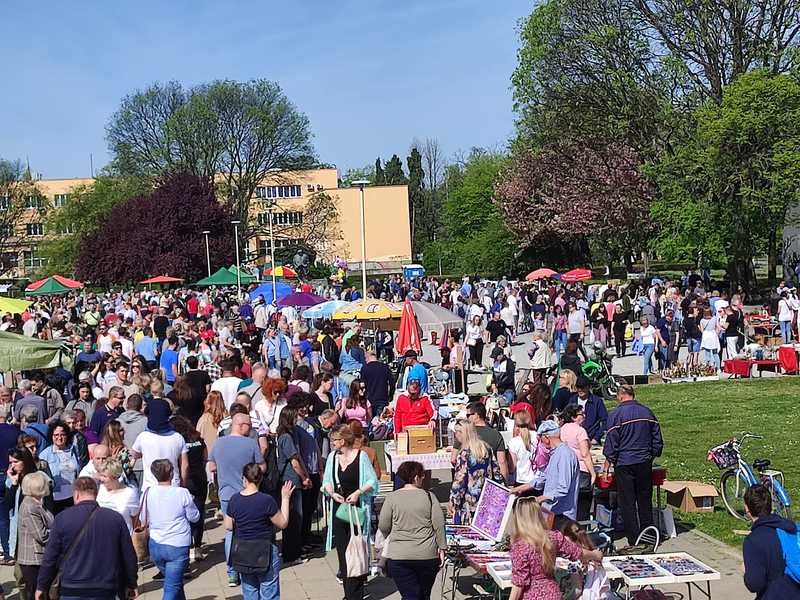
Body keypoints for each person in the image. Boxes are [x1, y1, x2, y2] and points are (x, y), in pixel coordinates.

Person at [36, 476, 138, 600]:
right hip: (105, 588)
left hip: (71, 587)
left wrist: (42, 586)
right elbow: (128, 555)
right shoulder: (115, 518)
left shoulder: (62, 518)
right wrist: (132, 583)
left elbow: (50, 557)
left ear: (76, 494)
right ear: (95, 494)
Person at [208, 412, 266, 587]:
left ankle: (232, 573)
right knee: (249, 530)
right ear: (240, 425)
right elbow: (262, 466)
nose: (252, 428)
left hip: (226, 494)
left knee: (230, 532)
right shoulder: (250, 444)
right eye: (249, 425)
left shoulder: (218, 443)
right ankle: (251, 565)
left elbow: (211, 465)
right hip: (248, 494)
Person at [602, 384, 663, 545]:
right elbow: (657, 439)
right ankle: (649, 535)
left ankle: (634, 538)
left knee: (627, 502)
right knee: (644, 500)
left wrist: (609, 460)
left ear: (621, 396)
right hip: (644, 461)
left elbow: (612, 441)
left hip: (624, 463)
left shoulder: (616, 415)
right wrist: (652, 455)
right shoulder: (647, 412)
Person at [322, 424, 378, 600]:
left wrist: (358, 492)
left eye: (335, 440)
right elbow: (327, 481)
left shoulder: (361, 457)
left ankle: (356, 592)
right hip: (340, 510)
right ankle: (348, 593)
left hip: (357, 509)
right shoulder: (333, 457)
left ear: (343, 440)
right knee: (343, 551)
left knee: (357, 550)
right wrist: (332, 493)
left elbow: (372, 481)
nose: (332, 444)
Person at [508, 498, 602, 600]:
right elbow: (577, 552)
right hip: (553, 593)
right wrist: (595, 554)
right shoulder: (553, 537)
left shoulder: (520, 547)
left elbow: (518, 585)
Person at [378, 461, 446, 600]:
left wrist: (392, 537)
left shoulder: (392, 497)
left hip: (399, 556)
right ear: (416, 477)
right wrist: (442, 548)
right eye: (422, 476)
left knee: (409, 595)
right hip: (427, 555)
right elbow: (439, 524)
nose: (423, 479)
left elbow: (384, 525)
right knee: (423, 595)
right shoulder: (429, 497)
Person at [224, 464, 292, 600]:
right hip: (265, 550)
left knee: (249, 592)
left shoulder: (234, 500)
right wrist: (285, 498)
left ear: (244, 478)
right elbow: (283, 523)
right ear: (260, 479)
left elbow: (228, 526)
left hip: (243, 552)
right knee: (270, 594)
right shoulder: (266, 500)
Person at [143, 459, 201, 600]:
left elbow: (143, 518)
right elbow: (195, 517)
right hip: (177, 546)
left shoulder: (148, 492)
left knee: (174, 583)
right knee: (172, 587)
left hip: (156, 546)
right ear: (171, 473)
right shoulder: (182, 493)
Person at [742, 483, 800, 600]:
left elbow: (755, 584)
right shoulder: (790, 528)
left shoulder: (753, 541)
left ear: (747, 508)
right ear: (770, 505)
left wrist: (746, 571)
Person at [275, 408, 312, 566]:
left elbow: (298, 458)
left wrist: (306, 475)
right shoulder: (286, 437)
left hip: (293, 479)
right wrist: (304, 477)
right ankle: (291, 553)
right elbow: (294, 461)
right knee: (293, 517)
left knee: (296, 516)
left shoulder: (290, 435)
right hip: (290, 481)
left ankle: (293, 549)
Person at [449, 421, 502, 524]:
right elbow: (496, 473)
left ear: (463, 433)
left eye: (457, 432)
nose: (456, 435)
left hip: (469, 502)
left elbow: (459, 482)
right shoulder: (486, 448)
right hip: (487, 498)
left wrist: (453, 501)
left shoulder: (465, 453)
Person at [130, 398, 189, 490]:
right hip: (173, 486)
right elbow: (185, 465)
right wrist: (183, 485)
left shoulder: (143, 437)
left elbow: (134, 454)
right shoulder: (178, 437)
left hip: (150, 488)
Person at [172, 415, 208, 562]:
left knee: (184, 517)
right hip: (200, 479)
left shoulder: (178, 442)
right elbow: (205, 457)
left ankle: (186, 548)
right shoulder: (199, 439)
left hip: (186, 480)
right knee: (198, 513)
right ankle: (197, 548)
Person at [535, 420, 579, 526]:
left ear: (546, 438)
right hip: (551, 511)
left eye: (541, 440)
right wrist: (519, 489)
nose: (541, 443)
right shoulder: (555, 453)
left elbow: (563, 489)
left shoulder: (565, 455)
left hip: (562, 515)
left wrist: (542, 498)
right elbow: (544, 477)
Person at [16, 471, 53, 600]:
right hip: (32, 560)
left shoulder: (36, 503)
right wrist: (59, 534)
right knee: (36, 594)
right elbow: (42, 536)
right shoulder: (30, 507)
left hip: (37, 558)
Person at [452, 402, 509, 482]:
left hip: (469, 481)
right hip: (490, 482)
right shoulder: (496, 434)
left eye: (468, 415)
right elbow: (502, 462)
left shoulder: (464, 434)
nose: (466, 417)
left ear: (476, 415)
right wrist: (504, 484)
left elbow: (453, 459)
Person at [560, 405, 597, 522]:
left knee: (568, 503)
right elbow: (585, 454)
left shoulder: (562, 429)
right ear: (573, 417)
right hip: (581, 469)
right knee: (582, 503)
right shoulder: (580, 431)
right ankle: (581, 532)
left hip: (565, 469)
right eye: (581, 414)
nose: (584, 416)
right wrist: (593, 473)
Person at [39, 421, 81, 514]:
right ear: (51, 436)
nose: (59, 438)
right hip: (55, 499)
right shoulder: (45, 455)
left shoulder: (74, 450)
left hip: (73, 497)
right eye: (56, 435)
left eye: (62, 434)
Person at [97, 458, 140, 533]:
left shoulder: (130, 493)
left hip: (123, 538)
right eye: (101, 475)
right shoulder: (101, 489)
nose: (101, 479)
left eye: (105, 476)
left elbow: (136, 519)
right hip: (103, 535)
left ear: (115, 477)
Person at [508, 410, 543, 495]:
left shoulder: (513, 442)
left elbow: (512, 467)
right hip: (537, 480)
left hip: (521, 481)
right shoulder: (537, 436)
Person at [573, 377, 609, 444]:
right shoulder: (572, 400)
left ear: (588, 387)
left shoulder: (597, 401)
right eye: (578, 387)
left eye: (583, 387)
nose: (580, 390)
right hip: (575, 439)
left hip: (591, 438)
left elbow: (605, 421)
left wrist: (596, 438)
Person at [359, 352, 394, 417]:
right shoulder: (385, 367)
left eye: (365, 359)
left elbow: (362, 385)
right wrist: (390, 396)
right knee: (380, 422)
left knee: (370, 421)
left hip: (369, 399)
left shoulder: (364, 368)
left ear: (368, 358)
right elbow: (392, 383)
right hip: (382, 398)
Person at [196, 390, 226, 455]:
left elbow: (198, 436)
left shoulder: (204, 419)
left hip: (208, 454)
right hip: (223, 454)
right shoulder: (227, 417)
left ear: (208, 402)